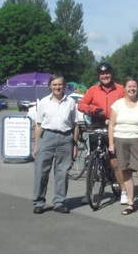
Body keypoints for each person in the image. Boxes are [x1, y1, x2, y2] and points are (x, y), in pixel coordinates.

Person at [77, 62, 126, 205]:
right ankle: (89, 192)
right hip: (97, 123)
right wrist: (94, 110)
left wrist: (114, 118)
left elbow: (128, 104)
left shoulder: (120, 89)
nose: (105, 76)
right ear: (98, 76)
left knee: (115, 160)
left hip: (115, 125)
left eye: (107, 73)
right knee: (93, 161)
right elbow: (81, 104)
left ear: (112, 74)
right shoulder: (93, 90)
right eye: (102, 74)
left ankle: (120, 187)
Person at [32, 74, 78, 214]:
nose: (57, 87)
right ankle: (39, 202)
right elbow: (38, 125)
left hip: (65, 138)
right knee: (41, 170)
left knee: (62, 172)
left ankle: (59, 202)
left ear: (64, 86)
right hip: (47, 137)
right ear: (50, 86)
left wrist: (74, 145)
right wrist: (36, 145)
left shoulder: (70, 102)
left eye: (60, 84)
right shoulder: (44, 102)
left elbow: (75, 125)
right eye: (54, 85)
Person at [108, 77, 138, 216]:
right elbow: (111, 125)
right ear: (125, 89)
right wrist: (111, 143)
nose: (132, 88)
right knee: (126, 173)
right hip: (120, 140)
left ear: (137, 88)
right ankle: (130, 203)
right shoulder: (117, 105)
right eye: (129, 86)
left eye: (134, 86)